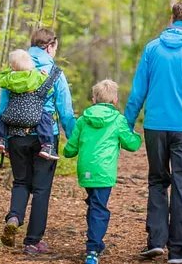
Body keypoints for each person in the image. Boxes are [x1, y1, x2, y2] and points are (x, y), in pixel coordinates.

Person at [125, 0, 182, 263]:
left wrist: (127, 124)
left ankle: (155, 241)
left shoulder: (153, 48)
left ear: (172, 18)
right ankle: (179, 250)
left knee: (156, 181)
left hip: (155, 125)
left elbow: (138, 90)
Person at [0, 29, 77, 255]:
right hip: (45, 138)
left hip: (16, 136)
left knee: (21, 182)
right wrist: (73, 141)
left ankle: (14, 217)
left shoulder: (13, 70)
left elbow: (3, 109)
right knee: (41, 189)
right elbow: (66, 113)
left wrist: (4, 138)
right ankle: (32, 241)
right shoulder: (55, 72)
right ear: (50, 47)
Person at [63, 80, 142, 264]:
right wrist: (137, 136)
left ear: (93, 100)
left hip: (86, 171)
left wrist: (66, 152)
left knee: (94, 203)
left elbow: (72, 146)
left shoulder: (83, 119)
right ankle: (92, 249)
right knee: (99, 207)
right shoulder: (117, 120)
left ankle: (95, 243)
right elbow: (131, 144)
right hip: (104, 172)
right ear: (115, 101)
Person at [0, 49, 60, 160]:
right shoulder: (35, 75)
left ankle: (0, 140)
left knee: (0, 119)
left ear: (13, 66)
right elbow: (48, 89)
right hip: (33, 116)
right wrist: (45, 76)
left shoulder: (10, 78)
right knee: (45, 117)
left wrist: (8, 71)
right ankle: (47, 146)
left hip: (11, 116)